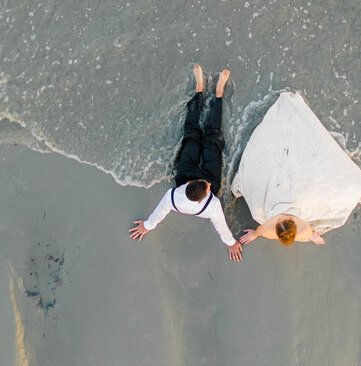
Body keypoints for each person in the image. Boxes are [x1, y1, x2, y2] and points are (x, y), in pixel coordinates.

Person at [130, 66, 243, 262]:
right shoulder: (212, 206)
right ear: (202, 195)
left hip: (186, 173)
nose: (207, 185)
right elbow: (221, 227)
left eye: (204, 184)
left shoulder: (172, 197)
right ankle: (218, 93)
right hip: (206, 174)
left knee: (191, 135)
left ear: (190, 185)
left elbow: (159, 214)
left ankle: (199, 90)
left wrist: (147, 226)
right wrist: (231, 243)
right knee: (212, 138)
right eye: (207, 186)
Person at [239, 213, 325, 248]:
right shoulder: (305, 230)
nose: (282, 215)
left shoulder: (267, 230)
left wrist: (255, 233)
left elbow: (260, 231)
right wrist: (312, 235)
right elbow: (308, 233)